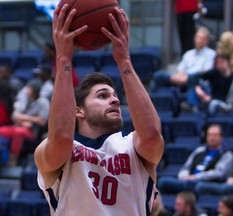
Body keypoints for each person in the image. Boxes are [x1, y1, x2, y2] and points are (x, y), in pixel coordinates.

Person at [34, 5, 164, 216]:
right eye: (102, 96)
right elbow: (60, 137)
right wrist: (63, 59)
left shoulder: (132, 146)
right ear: (78, 111)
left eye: (115, 96)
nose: (113, 100)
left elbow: (152, 135)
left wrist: (124, 60)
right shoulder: (60, 150)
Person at [158, 124, 233, 194]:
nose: (212, 138)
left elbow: (219, 173)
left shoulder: (226, 154)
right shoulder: (199, 151)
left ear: (221, 137)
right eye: (210, 135)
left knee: (196, 186)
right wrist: (184, 176)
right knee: (163, 181)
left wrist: (196, 177)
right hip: (188, 180)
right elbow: (186, 167)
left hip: (207, 182)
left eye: (215, 135)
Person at [0, 79, 50, 166]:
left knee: (19, 132)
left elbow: (42, 121)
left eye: (29, 88)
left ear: (35, 90)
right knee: (2, 130)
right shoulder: (24, 98)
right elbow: (14, 116)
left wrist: (25, 118)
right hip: (19, 126)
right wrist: (24, 122)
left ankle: (12, 160)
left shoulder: (43, 102)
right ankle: (3, 158)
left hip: (33, 131)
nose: (27, 90)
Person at [152, 27, 216, 93]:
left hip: (196, 80)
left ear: (206, 41)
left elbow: (206, 72)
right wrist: (180, 77)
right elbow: (181, 69)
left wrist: (187, 77)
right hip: (182, 79)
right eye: (197, 37)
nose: (199, 40)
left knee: (194, 78)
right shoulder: (188, 54)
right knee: (158, 75)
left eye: (202, 38)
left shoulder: (211, 54)